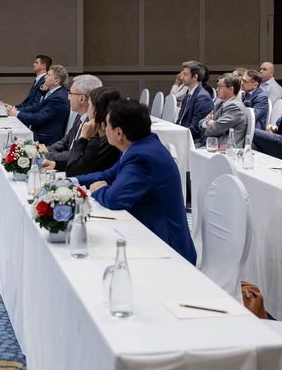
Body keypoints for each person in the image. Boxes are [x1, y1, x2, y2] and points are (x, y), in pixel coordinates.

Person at [74, 100, 197, 265]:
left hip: (167, 248)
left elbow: (114, 199)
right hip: (152, 233)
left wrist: (97, 190)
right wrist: (72, 181)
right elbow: (109, 175)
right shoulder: (140, 145)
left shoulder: (141, 156)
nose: (104, 128)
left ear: (119, 133)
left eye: (107, 125)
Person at [42, 74, 101, 170]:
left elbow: (76, 155)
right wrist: (48, 149)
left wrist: (47, 155)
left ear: (82, 98)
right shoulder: (79, 115)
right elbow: (67, 140)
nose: (68, 97)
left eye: (71, 93)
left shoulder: (93, 125)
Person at [61, 87, 123, 177]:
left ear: (96, 112)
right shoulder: (97, 134)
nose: (87, 110)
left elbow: (72, 171)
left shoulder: (109, 141)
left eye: (89, 105)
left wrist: (83, 138)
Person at [8, 64, 69, 146]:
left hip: (45, 137)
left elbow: (39, 118)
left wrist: (17, 113)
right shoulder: (54, 92)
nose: (45, 77)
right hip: (40, 131)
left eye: (49, 75)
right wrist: (17, 111)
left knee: (11, 137)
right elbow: (39, 107)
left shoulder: (58, 98)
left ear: (56, 81)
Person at [199, 73, 249, 149]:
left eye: (220, 86)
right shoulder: (220, 103)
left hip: (227, 149)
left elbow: (213, 130)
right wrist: (207, 123)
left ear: (231, 89)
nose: (217, 89)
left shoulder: (235, 107)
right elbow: (200, 123)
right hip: (214, 144)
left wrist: (211, 123)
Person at [174, 60, 213, 142]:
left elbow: (195, 128)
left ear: (195, 77)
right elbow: (179, 121)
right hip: (184, 135)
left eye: (185, 74)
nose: (181, 77)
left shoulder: (202, 98)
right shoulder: (187, 96)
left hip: (194, 141)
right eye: (182, 74)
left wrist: (176, 137)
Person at [240, 69, 270, 147]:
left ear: (255, 85)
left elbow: (252, 117)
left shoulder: (262, 96)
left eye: (245, 81)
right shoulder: (245, 93)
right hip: (244, 128)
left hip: (254, 133)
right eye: (242, 80)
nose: (242, 83)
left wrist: (238, 99)